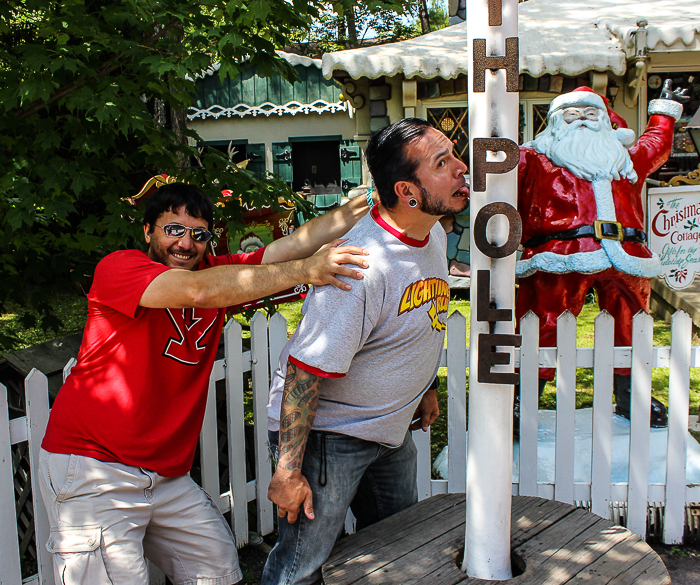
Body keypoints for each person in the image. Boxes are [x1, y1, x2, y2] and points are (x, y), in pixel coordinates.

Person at [39, 181, 374, 585]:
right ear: (148, 232)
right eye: (173, 229)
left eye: (198, 234)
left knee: (216, 568)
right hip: (95, 468)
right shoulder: (120, 267)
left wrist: (369, 202)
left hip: (164, 476)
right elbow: (195, 292)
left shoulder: (219, 276)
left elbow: (289, 246)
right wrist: (306, 270)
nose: (186, 243)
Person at [261, 118, 470, 585]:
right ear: (407, 191)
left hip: (388, 432)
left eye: (453, 154)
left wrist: (425, 387)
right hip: (327, 438)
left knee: (400, 549)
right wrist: (288, 472)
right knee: (301, 565)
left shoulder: (431, 233)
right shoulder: (360, 269)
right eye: (443, 163)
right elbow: (304, 372)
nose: (461, 169)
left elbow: (420, 319)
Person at [515, 84, 685, 428]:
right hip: (561, 254)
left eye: (591, 114)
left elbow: (656, 144)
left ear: (606, 121)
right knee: (544, 324)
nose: (581, 121)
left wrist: (665, 112)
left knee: (631, 325)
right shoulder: (535, 158)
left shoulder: (624, 160)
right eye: (572, 114)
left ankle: (631, 396)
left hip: (626, 255)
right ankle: (522, 399)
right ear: (555, 122)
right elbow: (503, 175)